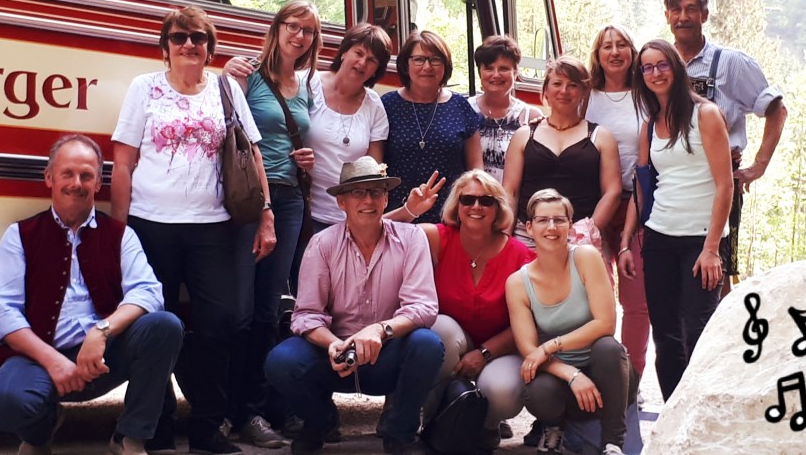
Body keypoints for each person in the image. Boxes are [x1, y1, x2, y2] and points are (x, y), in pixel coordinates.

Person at [111, 5, 275, 453]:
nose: (189, 45)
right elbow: (123, 163)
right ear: (165, 45)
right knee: (154, 326)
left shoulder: (225, 89)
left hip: (213, 228)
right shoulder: (144, 88)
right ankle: (155, 425)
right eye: (180, 37)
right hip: (151, 225)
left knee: (218, 326)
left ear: (209, 46)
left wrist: (266, 215)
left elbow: (252, 154)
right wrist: (120, 229)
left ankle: (208, 428)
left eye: (198, 38)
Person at [0, 134, 184, 455]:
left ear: (98, 183)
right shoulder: (19, 235)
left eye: (86, 175)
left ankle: (130, 437)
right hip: (40, 358)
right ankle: (40, 433)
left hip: (103, 358)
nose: (77, 183)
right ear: (49, 178)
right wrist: (54, 363)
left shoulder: (121, 236)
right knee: (4, 404)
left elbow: (148, 292)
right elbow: (1, 315)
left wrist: (100, 332)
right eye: (68, 174)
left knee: (164, 325)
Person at [265, 157, 443, 455]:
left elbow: (423, 306)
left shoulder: (412, 238)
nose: (368, 200)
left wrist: (379, 330)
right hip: (334, 355)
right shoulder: (322, 244)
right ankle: (320, 422)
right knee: (280, 362)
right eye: (358, 193)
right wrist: (334, 344)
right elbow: (306, 315)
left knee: (428, 344)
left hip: (387, 351)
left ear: (386, 198)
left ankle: (400, 433)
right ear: (342, 203)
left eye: (375, 192)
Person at [222, 0, 321, 445]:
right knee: (238, 311)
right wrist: (224, 75)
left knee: (268, 311)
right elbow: (229, 133)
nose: (299, 36)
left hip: (291, 200)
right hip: (248, 203)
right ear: (277, 28)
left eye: (308, 31)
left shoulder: (305, 85)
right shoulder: (248, 76)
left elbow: (296, 138)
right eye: (293, 26)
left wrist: (306, 158)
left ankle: (255, 412)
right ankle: (227, 409)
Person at [618, 40, 733, 401]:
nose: (655, 73)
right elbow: (643, 185)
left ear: (676, 68)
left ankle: (701, 411)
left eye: (662, 64)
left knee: (697, 333)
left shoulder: (706, 115)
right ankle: (672, 417)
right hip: (659, 238)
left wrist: (713, 248)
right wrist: (625, 242)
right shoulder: (650, 125)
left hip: (702, 242)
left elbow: (725, 184)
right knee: (665, 336)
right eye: (647, 68)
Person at [663, 0, 787, 293]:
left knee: (715, 275)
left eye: (691, 9)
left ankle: (719, 341)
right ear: (667, 16)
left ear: (704, 15)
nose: (683, 16)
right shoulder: (659, 64)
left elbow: (777, 110)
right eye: (676, 10)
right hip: (673, 186)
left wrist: (758, 166)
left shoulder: (731, 63)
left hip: (719, 184)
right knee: (672, 276)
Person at [506, 189, 638, 455]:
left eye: (559, 219)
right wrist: (572, 374)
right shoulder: (518, 283)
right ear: (529, 228)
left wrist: (550, 346)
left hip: (609, 377)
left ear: (570, 224)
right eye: (543, 220)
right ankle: (554, 428)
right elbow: (529, 351)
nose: (551, 227)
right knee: (536, 390)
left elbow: (605, 324)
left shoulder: (586, 257)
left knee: (607, 347)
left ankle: (613, 443)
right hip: (564, 380)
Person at [418, 170, 536, 451]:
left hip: (501, 347)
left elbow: (529, 322)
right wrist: (412, 209)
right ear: (456, 207)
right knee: (438, 329)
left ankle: (486, 425)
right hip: (454, 339)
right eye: (467, 199)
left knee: (503, 392)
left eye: (486, 201)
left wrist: (484, 353)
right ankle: (434, 421)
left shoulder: (521, 256)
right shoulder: (437, 238)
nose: (476, 207)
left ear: (498, 209)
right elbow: (380, 229)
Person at [292, 23, 391, 286]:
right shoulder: (306, 82)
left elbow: (374, 168)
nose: (362, 63)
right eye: (358, 52)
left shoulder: (374, 105)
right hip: (303, 212)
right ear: (344, 51)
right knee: (304, 288)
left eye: (372, 60)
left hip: (348, 219)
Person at [584, 25, 650, 378]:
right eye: (606, 46)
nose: (614, 51)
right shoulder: (586, 97)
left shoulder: (646, 94)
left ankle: (631, 380)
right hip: (593, 205)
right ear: (597, 55)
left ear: (632, 51)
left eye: (621, 44)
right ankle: (596, 376)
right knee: (596, 299)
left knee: (636, 300)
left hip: (638, 205)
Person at [503, 56, 622, 241]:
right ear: (546, 91)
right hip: (527, 235)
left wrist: (587, 233)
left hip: (581, 237)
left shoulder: (601, 137)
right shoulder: (524, 135)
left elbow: (612, 192)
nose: (564, 91)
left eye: (573, 85)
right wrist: (505, 236)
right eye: (557, 83)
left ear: (583, 92)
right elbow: (510, 192)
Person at [382, 30, 483, 223]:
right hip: (397, 216)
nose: (427, 66)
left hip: (451, 217)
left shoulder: (460, 106)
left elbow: (476, 168)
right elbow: (376, 168)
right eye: (419, 59)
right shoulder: (387, 105)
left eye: (435, 59)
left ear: (445, 65)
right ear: (405, 64)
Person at [468, 35, 543, 184]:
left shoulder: (531, 116)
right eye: (489, 68)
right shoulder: (466, 110)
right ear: (479, 73)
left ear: (515, 72)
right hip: (474, 202)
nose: (496, 75)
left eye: (504, 68)